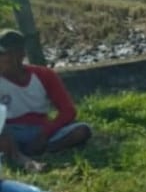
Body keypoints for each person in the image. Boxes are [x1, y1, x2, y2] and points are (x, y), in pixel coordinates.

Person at [0, 29, 92, 171]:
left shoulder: (43, 75)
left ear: (19, 55)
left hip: (40, 129)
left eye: (3, 54)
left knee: (82, 130)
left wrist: (44, 134)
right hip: (9, 131)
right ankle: (21, 158)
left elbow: (68, 111)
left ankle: (41, 150)